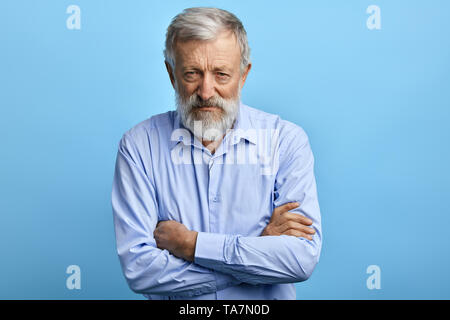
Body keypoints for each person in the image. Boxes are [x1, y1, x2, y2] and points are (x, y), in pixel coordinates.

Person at [111, 7, 322, 300]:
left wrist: (190, 245)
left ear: (243, 75)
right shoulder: (139, 146)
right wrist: (257, 252)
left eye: (221, 74)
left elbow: (300, 260)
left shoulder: (286, 141)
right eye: (192, 74)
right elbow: (141, 270)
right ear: (172, 74)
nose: (206, 91)